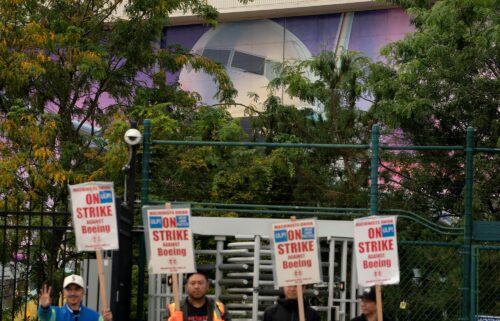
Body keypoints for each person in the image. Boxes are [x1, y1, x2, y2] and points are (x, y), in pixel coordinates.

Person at [38, 274, 113, 321]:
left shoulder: (95, 317)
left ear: (83, 292)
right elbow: (44, 316)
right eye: (69, 289)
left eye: (77, 289)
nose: (73, 293)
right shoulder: (54, 313)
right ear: (64, 292)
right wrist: (44, 308)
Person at [166, 271, 231, 321]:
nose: (196, 286)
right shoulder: (173, 309)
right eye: (192, 283)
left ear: (207, 286)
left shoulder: (219, 308)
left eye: (200, 283)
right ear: (186, 287)